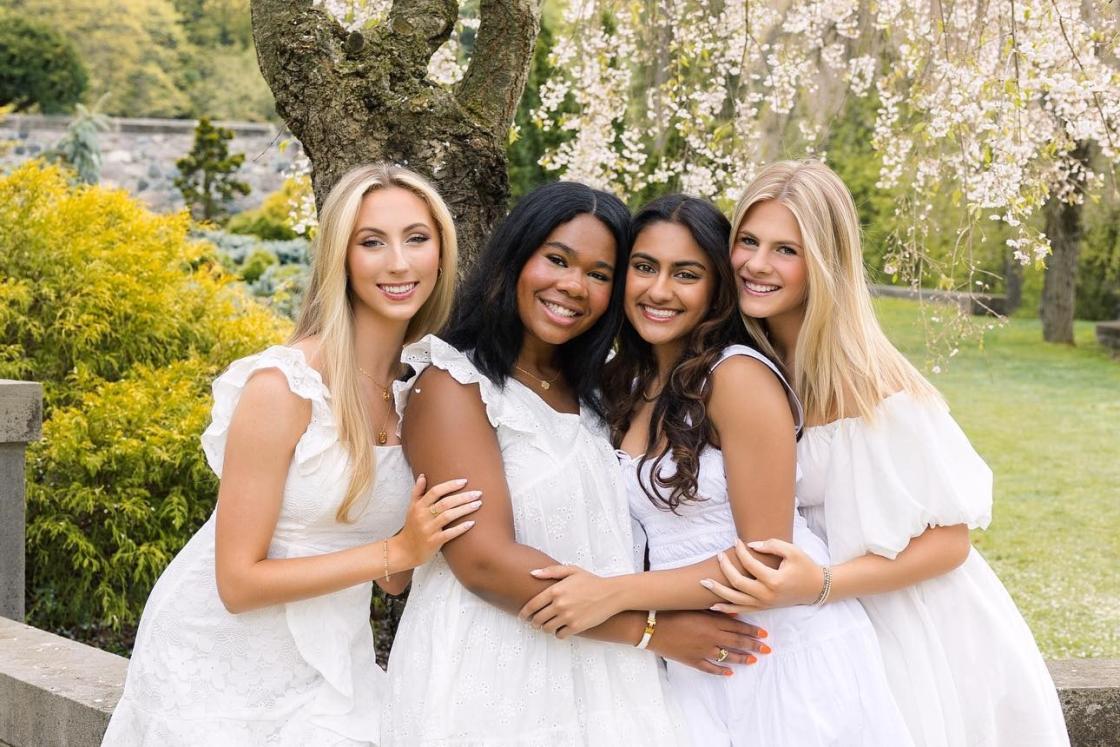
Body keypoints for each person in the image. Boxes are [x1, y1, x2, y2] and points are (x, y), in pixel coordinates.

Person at [103, 163, 481, 746]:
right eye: (372, 242)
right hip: (222, 663)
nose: (399, 263)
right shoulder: (283, 386)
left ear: (442, 251)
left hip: (334, 657)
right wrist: (396, 548)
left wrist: (416, 544)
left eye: (417, 238)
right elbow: (237, 582)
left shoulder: (424, 389)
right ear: (341, 257)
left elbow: (395, 582)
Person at [517, 194, 912, 746]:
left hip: (779, 647)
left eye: (687, 274)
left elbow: (765, 560)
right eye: (645, 267)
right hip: (696, 646)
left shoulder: (737, 378)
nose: (659, 291)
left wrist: (615, 594)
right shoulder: (623, 384)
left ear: (716, 288)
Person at [382, 181, 767, 745]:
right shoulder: (453, 382)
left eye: (599, 273)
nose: (572, 286)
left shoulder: (599, 392)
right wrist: (649, 631)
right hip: (493, 666)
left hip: (601, 671)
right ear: (515, 259)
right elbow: (484, 562)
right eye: (557, 260)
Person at [705, 160, 1070, 746]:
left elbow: (951, 542)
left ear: (825, 263)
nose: (756, 264)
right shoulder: (750, 363)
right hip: (816, 626)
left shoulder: (870, 384)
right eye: (747, 241)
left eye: (785, 250)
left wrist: (821, 583)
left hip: (910, 624)